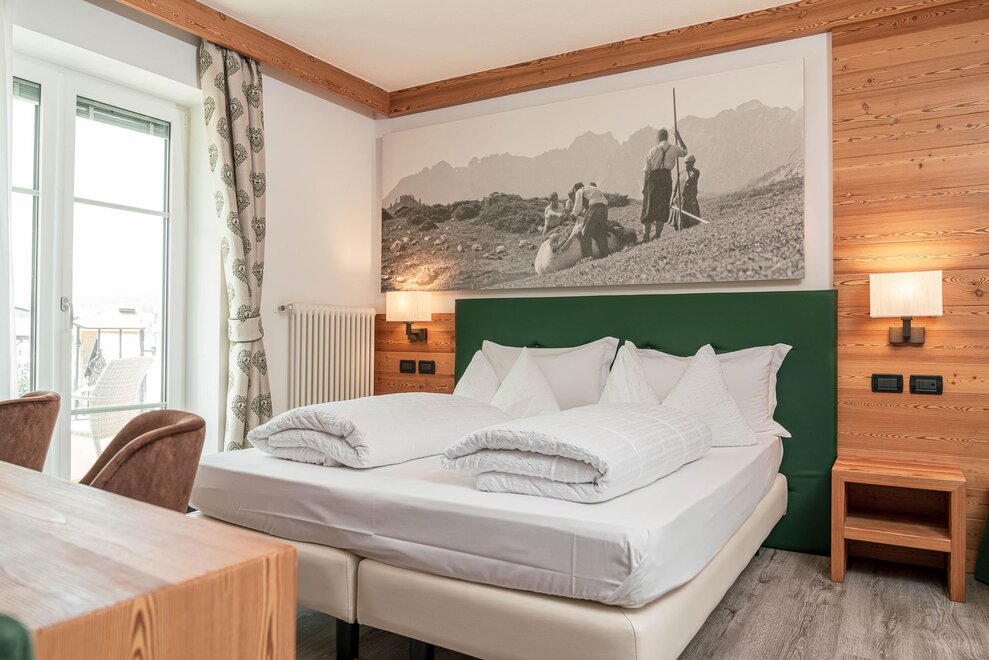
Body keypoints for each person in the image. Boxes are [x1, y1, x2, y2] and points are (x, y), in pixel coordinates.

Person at [640, 128, 687, 242]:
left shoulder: (652, 150)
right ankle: (657, 235)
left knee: (648, 207)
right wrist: (679, 137)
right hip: (666, 180)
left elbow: (647, 171)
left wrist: (645, 186)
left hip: (653, 180)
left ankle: (646, 236)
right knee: (662, 207)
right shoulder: (674, 149)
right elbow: (685, 151)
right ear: (667, 137)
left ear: (658, 138)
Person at [567, 181, 610, 259]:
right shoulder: (592, 188)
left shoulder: (580, 191)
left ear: (575, 189)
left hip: (595, 207)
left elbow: (577, 209)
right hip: (604, 207)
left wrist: (573, 214)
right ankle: (605, 253)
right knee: (600, 231)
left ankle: (588, 257)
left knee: (585, 232)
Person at [681, 154, 701, 227]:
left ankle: (693, 223)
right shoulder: (681, 173)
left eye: (689, 163)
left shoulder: (696, 172)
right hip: (683, 195)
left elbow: (689, 182)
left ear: (692, 163)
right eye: (686, 163)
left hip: (691, 195)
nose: (687, 164)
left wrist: (688, 174)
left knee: (692, 209)